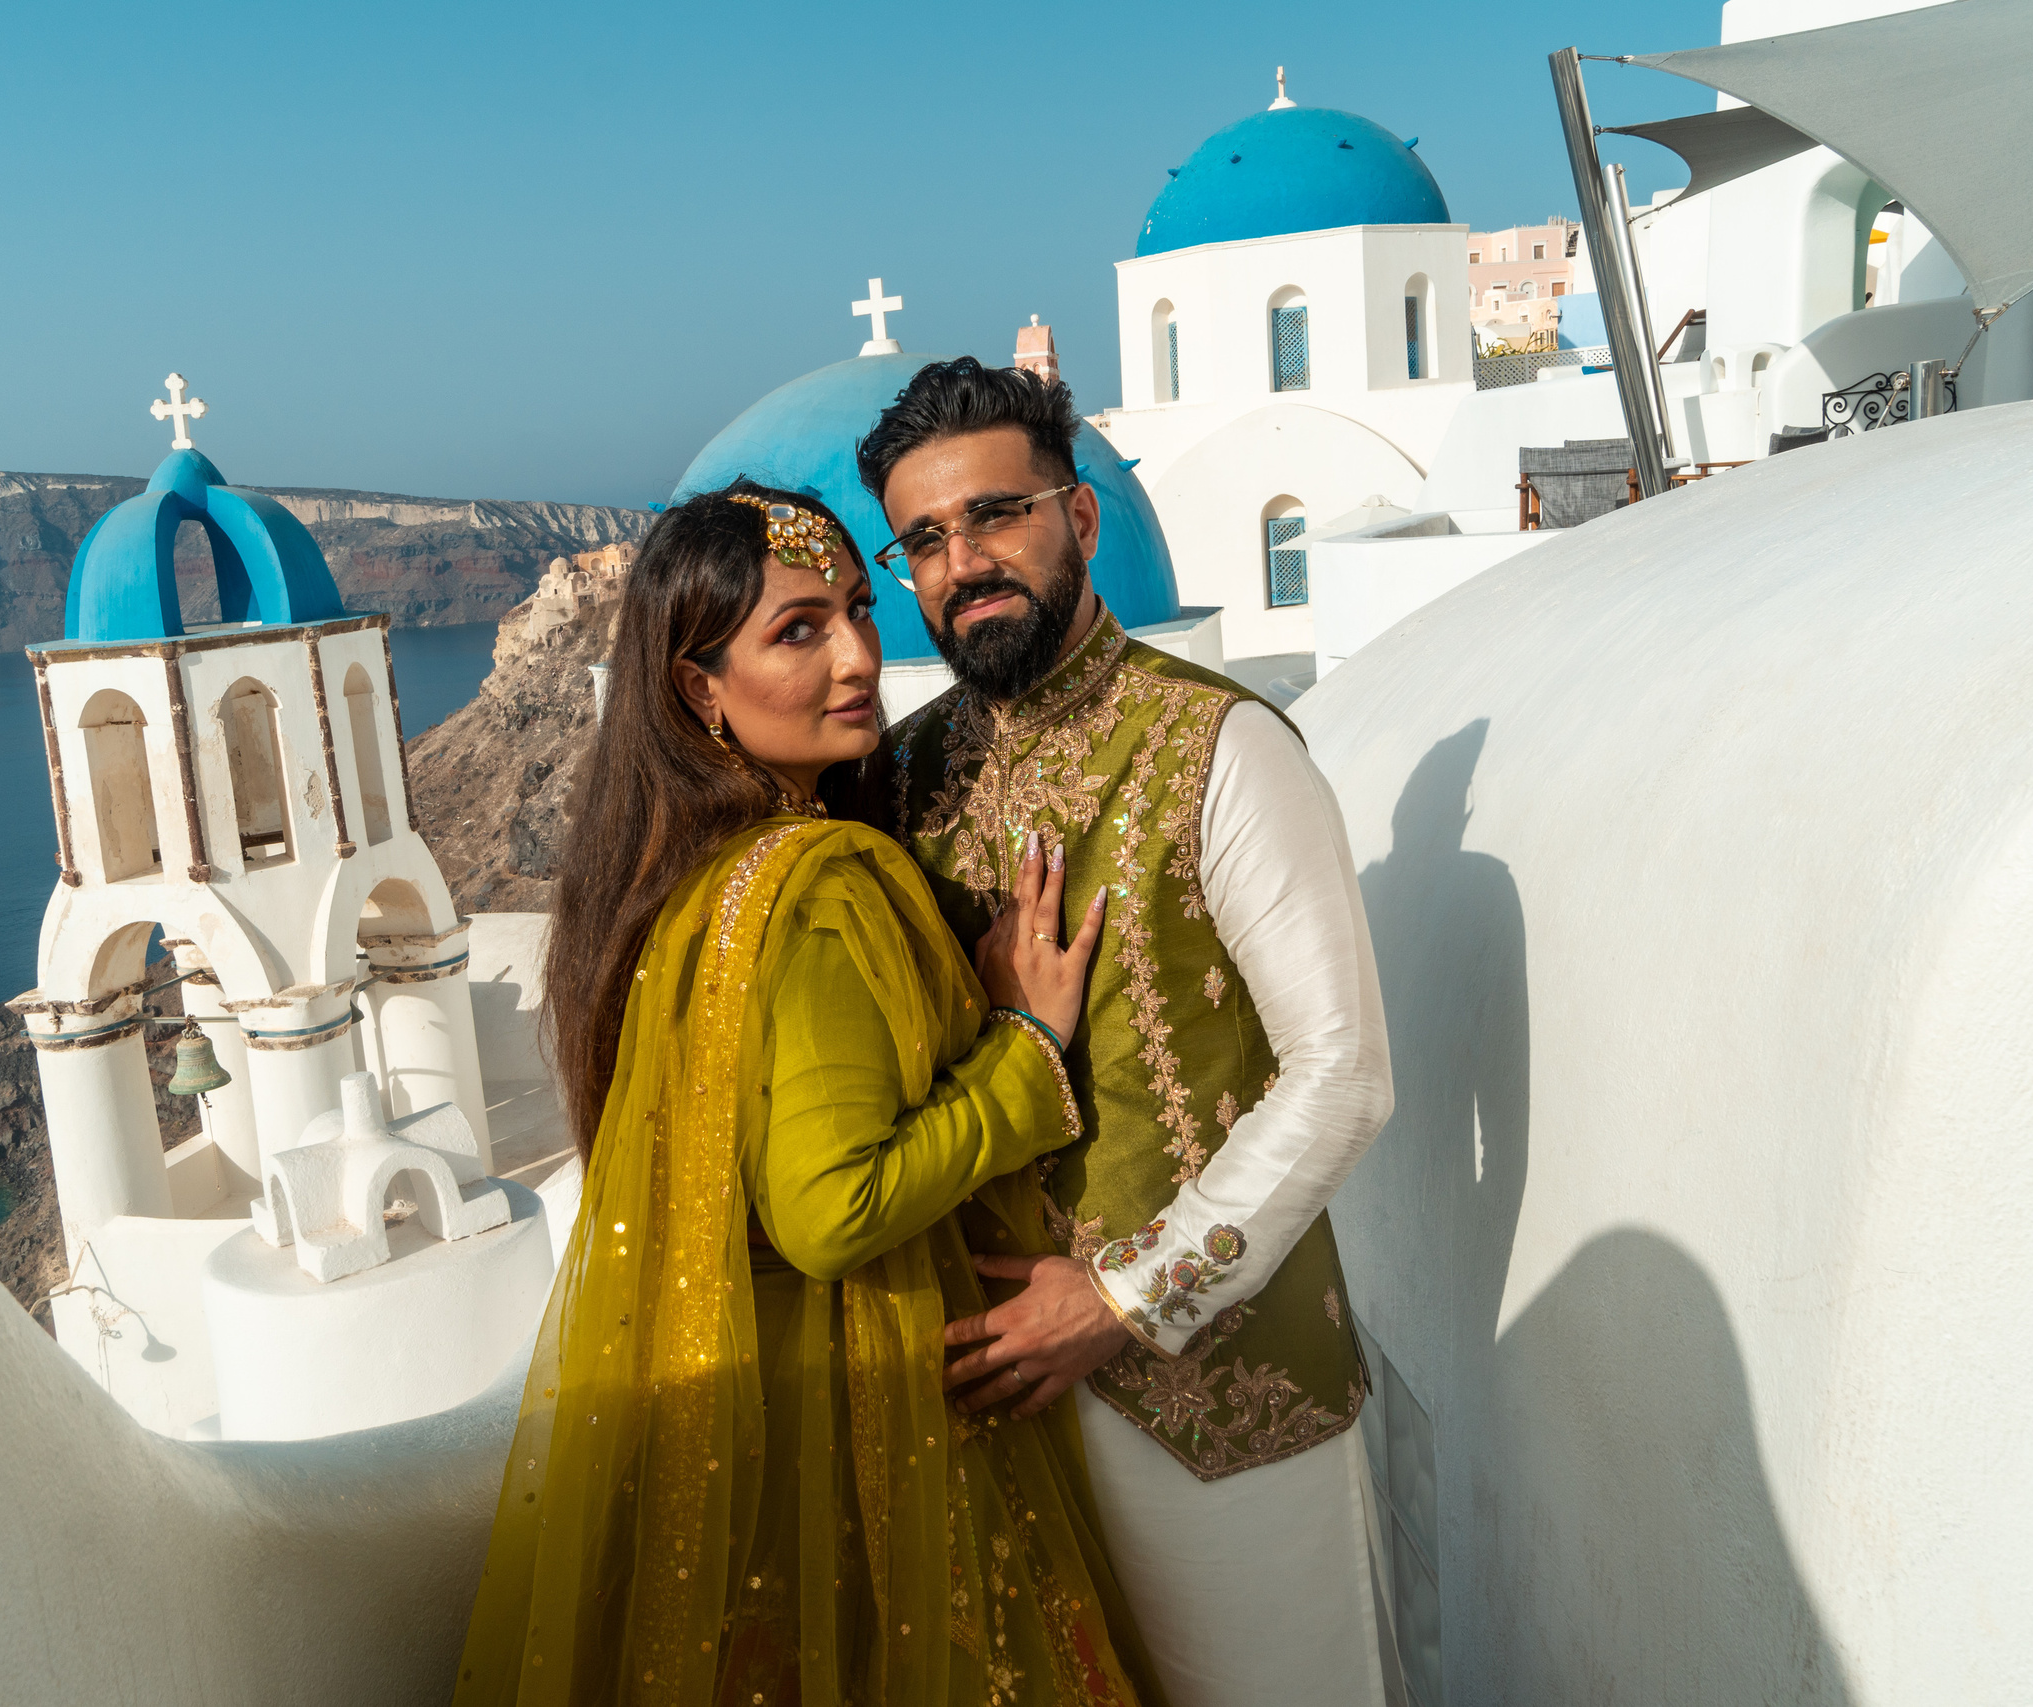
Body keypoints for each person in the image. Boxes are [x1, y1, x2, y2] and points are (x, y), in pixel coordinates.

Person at [452, 479, 1165, 1707]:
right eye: (796, 631)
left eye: (853, 610)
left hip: (743, 1431)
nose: (855, 657)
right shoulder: (825, 881)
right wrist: (1026, 1048)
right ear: (697, 688)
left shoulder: (669, 882)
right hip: (866, 1428)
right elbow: (831, 1207)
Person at [858, 361, 1405, 1706]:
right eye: (924, 539)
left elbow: (1344, 1076)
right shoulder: (900, 780)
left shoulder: (1222, 745)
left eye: (996, 514)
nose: (964, 560)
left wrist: (1118, 1300)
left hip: (1220, 1398)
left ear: (1082, 519)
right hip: (990, 1401)